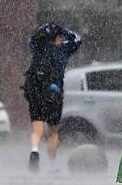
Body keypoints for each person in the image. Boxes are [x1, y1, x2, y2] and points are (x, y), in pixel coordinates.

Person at [23, 22, 82, 172]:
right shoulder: (64, 50)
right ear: (60, 38)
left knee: (37, 125)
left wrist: (47, 27)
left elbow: (32, 39)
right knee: (53, 130)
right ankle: (50, 163)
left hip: (35, 90)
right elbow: (77, 39)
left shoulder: (39, 48)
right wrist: (62, 29)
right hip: (54, 92)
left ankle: (34, 150)